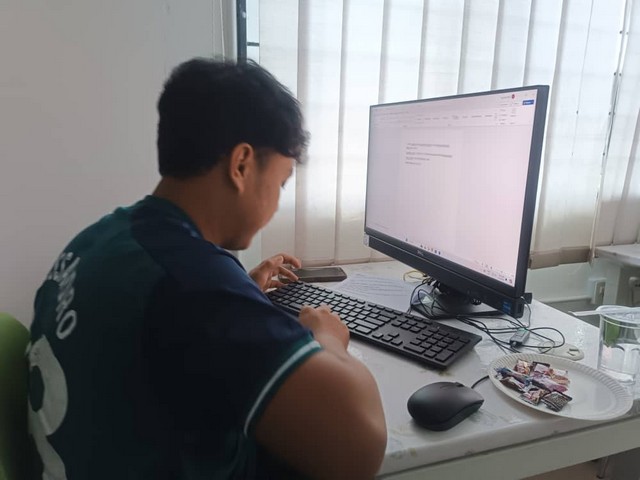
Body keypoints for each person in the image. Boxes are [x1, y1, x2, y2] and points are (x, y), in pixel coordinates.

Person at [27, 58, 387, 479]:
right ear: (241, 165)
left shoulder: (101, 238)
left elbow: (162, 329)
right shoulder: (194, 287)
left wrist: (241, 293)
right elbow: (359, 449)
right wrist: (326, 339)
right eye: (281, 182)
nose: (277, 200)